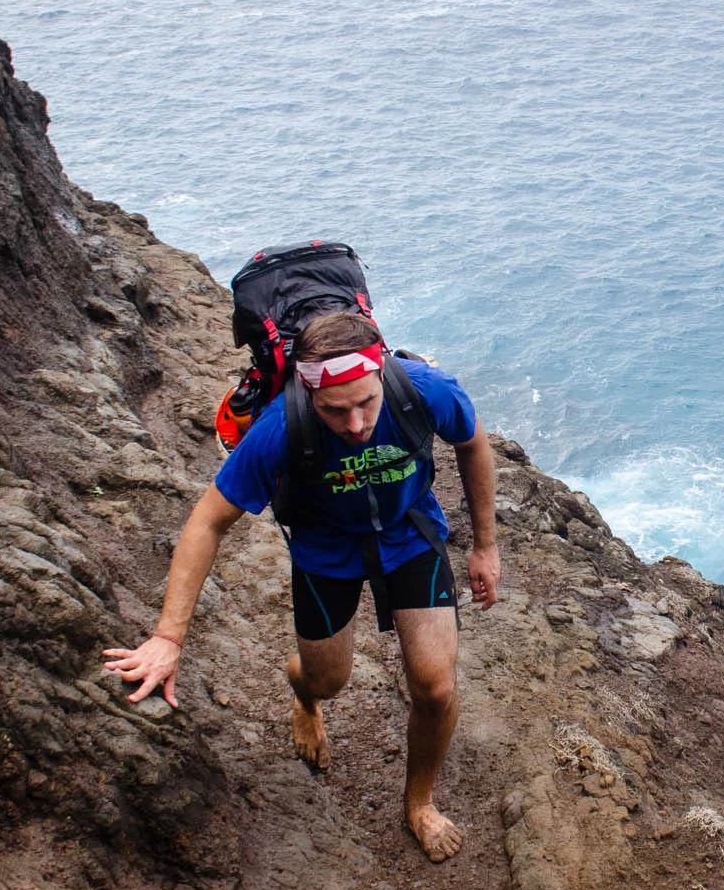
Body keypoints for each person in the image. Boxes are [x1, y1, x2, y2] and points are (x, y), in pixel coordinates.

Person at [104, 311, 500, 861]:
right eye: (336, 410)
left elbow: (473, 443)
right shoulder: (281, 427)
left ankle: (419, 802)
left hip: (410, 537)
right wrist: (168, 639)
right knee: (328, 678)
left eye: (366, 402)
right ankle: (306, 701)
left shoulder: (424, 389)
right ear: (310, 395)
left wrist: (486, 545)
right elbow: (207, 521)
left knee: (435, 687)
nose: (357, 423)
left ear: (382, 372)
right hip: (325, 550)